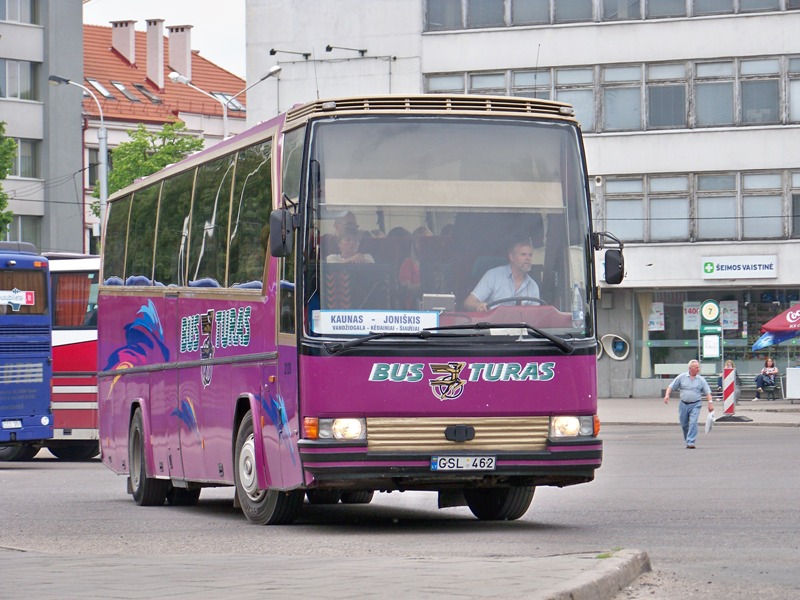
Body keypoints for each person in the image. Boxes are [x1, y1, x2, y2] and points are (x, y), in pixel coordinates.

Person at [463, 238, 540, 312]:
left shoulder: (533, 286)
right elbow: (468, 303)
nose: (528, 258)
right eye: (523, 254)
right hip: (492, 324)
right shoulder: (493, 276)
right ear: (511, 257)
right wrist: (478, 306)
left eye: (530, 255)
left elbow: (535, 317)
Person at [663, 359, 714, 449]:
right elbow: (671, 386)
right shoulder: (681, 377)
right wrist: (667, 395)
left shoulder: (701, 380)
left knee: (693, 423)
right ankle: (688, 440)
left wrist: (710, 403)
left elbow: (708, 392)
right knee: (684, 424)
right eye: (696, 367)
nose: (698, 369)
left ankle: (691, 442)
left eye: (699, 367)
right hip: (683, 404)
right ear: (690, 368)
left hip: (696, 404)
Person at [398, 226, 432, 308]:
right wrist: (426, 285)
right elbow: (405, 289)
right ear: (415, 244)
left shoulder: (437, 264)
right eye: (422, 242)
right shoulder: (408, 263)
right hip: (415, 304)